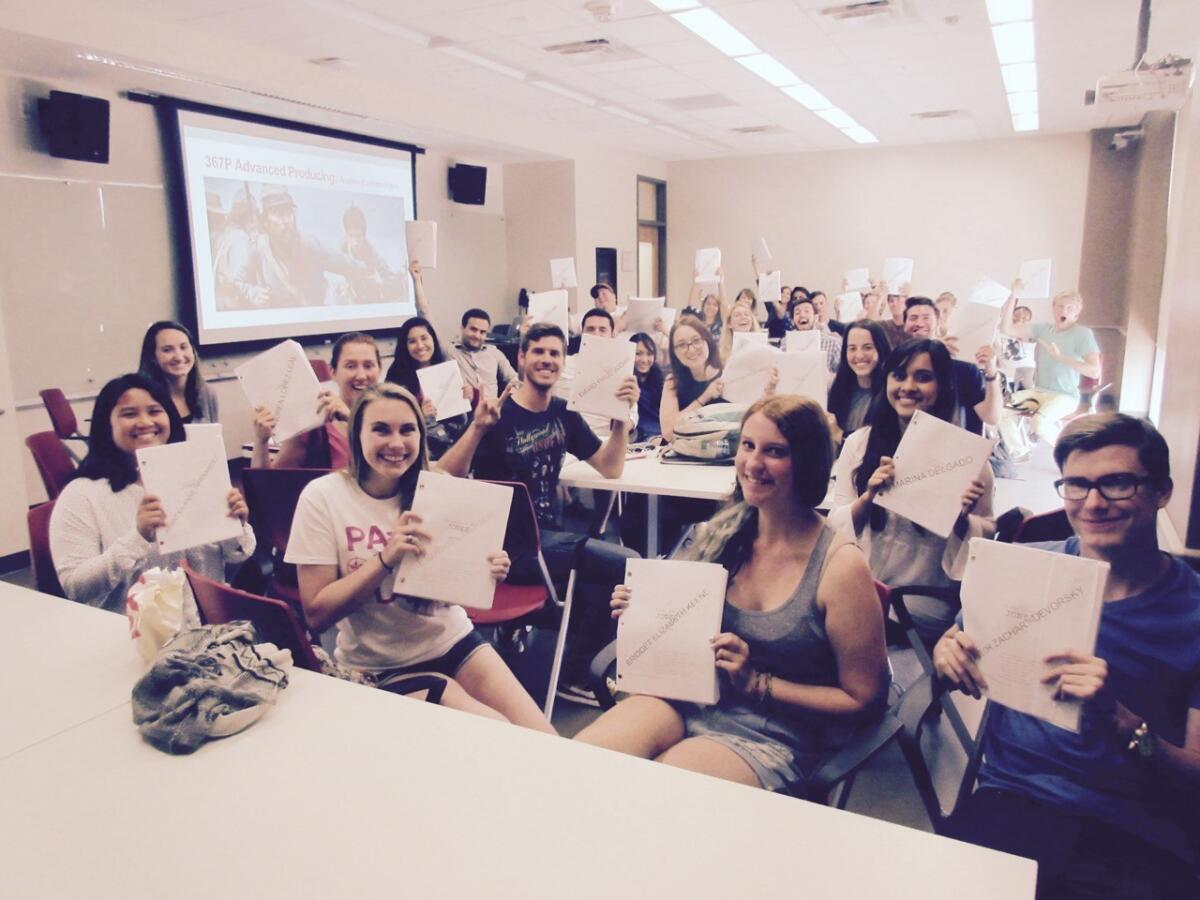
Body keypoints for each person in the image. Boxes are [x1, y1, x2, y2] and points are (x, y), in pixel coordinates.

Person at [933, 414, 1200, 898]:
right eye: (1076, 485)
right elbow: (956, 643)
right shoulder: (1028, 568)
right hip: (1012, 799)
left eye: (1117, 484)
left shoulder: (1192, 612)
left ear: (1161, 492)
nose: (1094, 503)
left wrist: (1121, 722)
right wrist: (945, 652)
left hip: (1135, 828)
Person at [575, 396, 890, 792]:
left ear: (807, 462)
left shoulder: (840, 567)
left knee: (659, 793)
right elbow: (685, 624)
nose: (753, 464)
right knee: (581, 764)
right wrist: (644, 612)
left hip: (773, 733)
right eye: (748, 446)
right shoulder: (724, 532)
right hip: (687, 697)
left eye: (775, 451)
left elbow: (865, 700)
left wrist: (758, 683)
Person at [284, 382, 554, 733]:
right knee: (498, 732)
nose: (396, 444)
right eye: (380, 430)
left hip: (453, 640)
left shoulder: (435, 487)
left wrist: (485, 569)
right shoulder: (322, 498)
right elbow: (316, 614)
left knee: (545, 739)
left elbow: (451, 584)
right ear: (356, 435)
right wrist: (385, 559)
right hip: (379, 667)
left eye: (407, 430)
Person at [437, 323, 640, 705]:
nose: (547, 360)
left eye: (555, 354)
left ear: (564, 364)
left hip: (551, 543)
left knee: (601, 583)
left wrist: (620, 422)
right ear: (522, 358)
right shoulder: (497, 415)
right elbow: (447, 478)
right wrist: (478, 429)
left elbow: (610, 468)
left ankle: (573, 669)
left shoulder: (564, 412)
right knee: (628, 563)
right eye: (539, 352)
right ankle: (578, 670)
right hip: (507, 549)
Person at [828, 339, 994, 643]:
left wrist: (961, 520)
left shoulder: (967, 458)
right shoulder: (860, 444)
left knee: (826, 628)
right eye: (899, 375)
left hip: (921, 598)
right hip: (862, 582)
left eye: (923, 377)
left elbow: (986, 537)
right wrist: (867, 499)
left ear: (943, 385)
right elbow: (835, 523)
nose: (908, 386)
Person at [49, 373, 254, 614]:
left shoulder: (194, 475)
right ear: (107, 425)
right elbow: (75, 587)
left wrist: (235, 526)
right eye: (129, 414)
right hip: (130, 635)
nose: (145, 421)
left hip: (207, 631)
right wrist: (137, 537)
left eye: (155, 411)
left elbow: (231, 563)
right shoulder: (83, 494)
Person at [999, 285, 1101, 462]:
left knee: (1039, 423)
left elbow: (1094, 371)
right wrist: (1014, 295)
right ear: (1053, 309)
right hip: (1040, 393)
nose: (1064, 311)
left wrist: (1060, 357)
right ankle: (1019, 452)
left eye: (1069, 308)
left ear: (1077, 313)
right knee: (1001, 410)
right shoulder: (1044, 330)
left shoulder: (1083, 334)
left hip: (1066, 397)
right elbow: (1006, 329)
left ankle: (1073, 455)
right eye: (1060, 306)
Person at [251, 332, 381, 469]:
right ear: (333, 372)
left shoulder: (395, 416)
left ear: (379, 369)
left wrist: (351, 419)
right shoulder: (315, 425)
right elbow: (266, 482)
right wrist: (261, 441)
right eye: (350, 366)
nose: (361, 375)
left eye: (368, 366)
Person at [240, 184, 370, 309]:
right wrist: (253, 293)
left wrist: (367, 269)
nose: (285, 221)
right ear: (265, 221)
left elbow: (344, 263)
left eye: (288, 213)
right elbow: (239, 282)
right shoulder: (258, 247)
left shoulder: (309, 244)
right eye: (277, 214)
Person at [902, 296, 1001, 435]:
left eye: (926, 317)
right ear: (905, 325)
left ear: (939, 321)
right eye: (913, 318)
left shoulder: (964, 368)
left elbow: (991, 418)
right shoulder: (898, 365)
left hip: (955, 448)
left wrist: (992, 372)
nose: (919, 323)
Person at [385, 317, 473, 460]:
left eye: (424, 338)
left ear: (433, 339)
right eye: (412, 341)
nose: (420, 346)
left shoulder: (447, 366)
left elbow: (461, 419)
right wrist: (419, 415)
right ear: (404, 346)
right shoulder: (396, 373)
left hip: (452, 441)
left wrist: (466, 396)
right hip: (417, 446)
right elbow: (391, 417)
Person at [137, 320, 218, 425]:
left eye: (183, 347)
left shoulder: (207, 393)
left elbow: (214, 438)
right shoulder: (139, 397)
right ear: (153, 357)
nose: (179, 357)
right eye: (167, 350)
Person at [826, 319, 891, 448]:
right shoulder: (838, 388)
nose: (859, 355)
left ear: (880, 349)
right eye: (852, 349)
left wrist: (839, 434)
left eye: (867, 347)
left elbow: (879, 446)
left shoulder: (890, 394)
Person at [660, 314, 724, 442]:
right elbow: (668, 433)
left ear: (708, 341)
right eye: (682, 345)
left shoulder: (725, 375)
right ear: (675, 352)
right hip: (685, 454)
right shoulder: (672, 382)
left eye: (696, 340)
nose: (691, 349)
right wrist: (704, 398)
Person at [340, 205, 406, 304]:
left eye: (358, 236)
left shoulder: (375, 258)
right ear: (346, 235)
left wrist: (381, 282)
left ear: (364, 235)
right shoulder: (341, 256)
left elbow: (398, 287)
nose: (355, 241)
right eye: (351, 236)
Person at [448, 306, 518, 396]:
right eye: (473, 329)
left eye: (482, 332)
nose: (477, 335)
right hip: (467, 407)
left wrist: (511, 396)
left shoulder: (494, 352)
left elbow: (513, 377)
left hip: (493, 407)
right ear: (462, 328)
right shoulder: (450, 351)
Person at [788, 297, 842, 375]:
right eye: (797, 313)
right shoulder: (785, 343)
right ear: (793, 321)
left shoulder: (833, 343)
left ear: (816, 317)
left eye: (807, 311)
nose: (802, 315)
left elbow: (843, 376)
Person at [630, 332, 664, 442]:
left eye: (649, 354)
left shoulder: (659, 379)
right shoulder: (626, 381)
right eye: (638, 353)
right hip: (642, 437)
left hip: (665, 433)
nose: (644, 360)